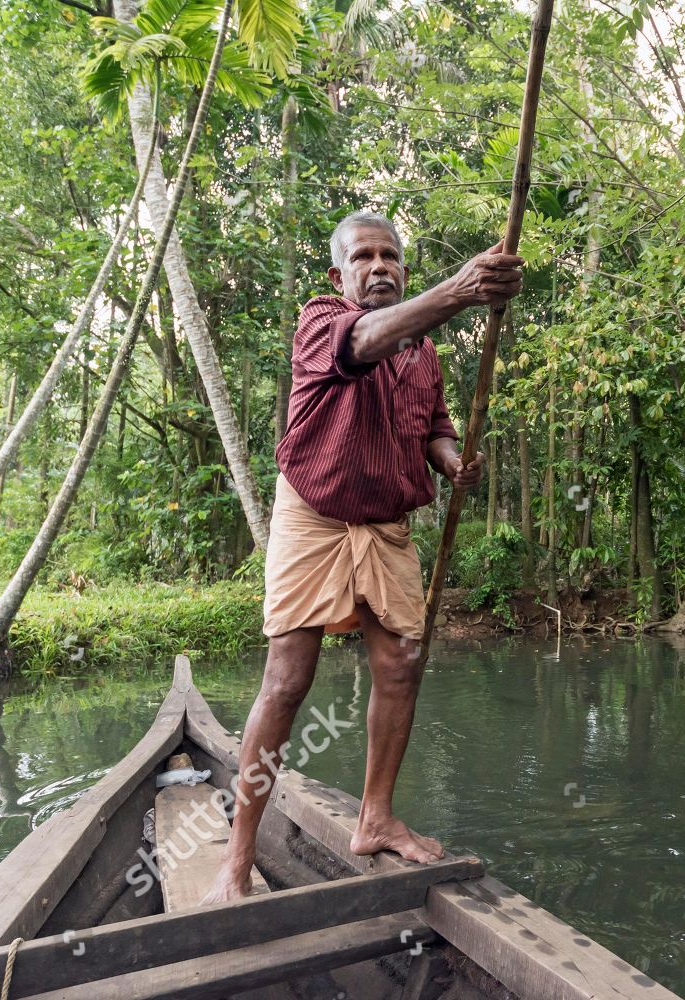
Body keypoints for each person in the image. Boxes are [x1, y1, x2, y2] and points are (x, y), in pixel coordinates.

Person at [201, 210, 523, 901]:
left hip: (385, 520)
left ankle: (374, 819)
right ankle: (237, 856)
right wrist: (462, 288)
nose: (380, 267)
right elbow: (365, 344)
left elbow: (432, 425)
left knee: (402, 664)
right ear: (339, 274)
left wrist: (450, 461)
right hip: (313, 514)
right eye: (365, 257)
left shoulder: (424, 353)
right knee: (288, 680)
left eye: (390, 256)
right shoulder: (323, 321)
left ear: (403, 267)